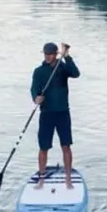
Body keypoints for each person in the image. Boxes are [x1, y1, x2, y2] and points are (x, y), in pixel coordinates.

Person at [31, 41, 80, 187]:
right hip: (46, 114)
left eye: (51, 54)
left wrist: (67, 57)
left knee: (66, 146)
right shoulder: (39, 71)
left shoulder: (63, 68)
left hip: (63, 113)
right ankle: (41, 177)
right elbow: (34, 89)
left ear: (56, 54)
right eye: (46, 54)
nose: (48, 56)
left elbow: (76, 74)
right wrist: (36, 98)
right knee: (43, 147)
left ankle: (68, 178)